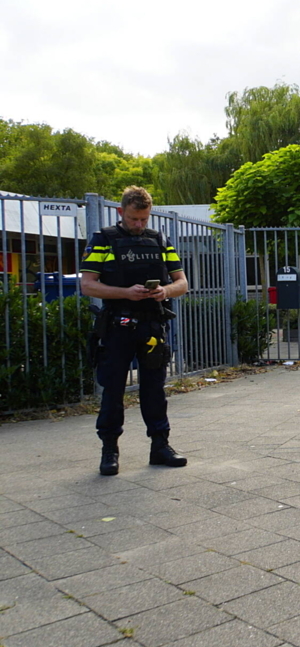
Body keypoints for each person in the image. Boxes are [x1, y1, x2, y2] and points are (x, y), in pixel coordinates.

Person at [80, 186, 189, 476]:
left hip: (152, 324)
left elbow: (182, 282)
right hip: (118, 324)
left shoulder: (160, 240)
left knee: (154, 388)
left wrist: (164, 290)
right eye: (133, 219)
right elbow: (88, 284)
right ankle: (109, 451)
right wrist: (125, 293)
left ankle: (160, 446)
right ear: (120, 212)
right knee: (112, 389)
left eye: (144, 219)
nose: (139, 225)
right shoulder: (103, 240)